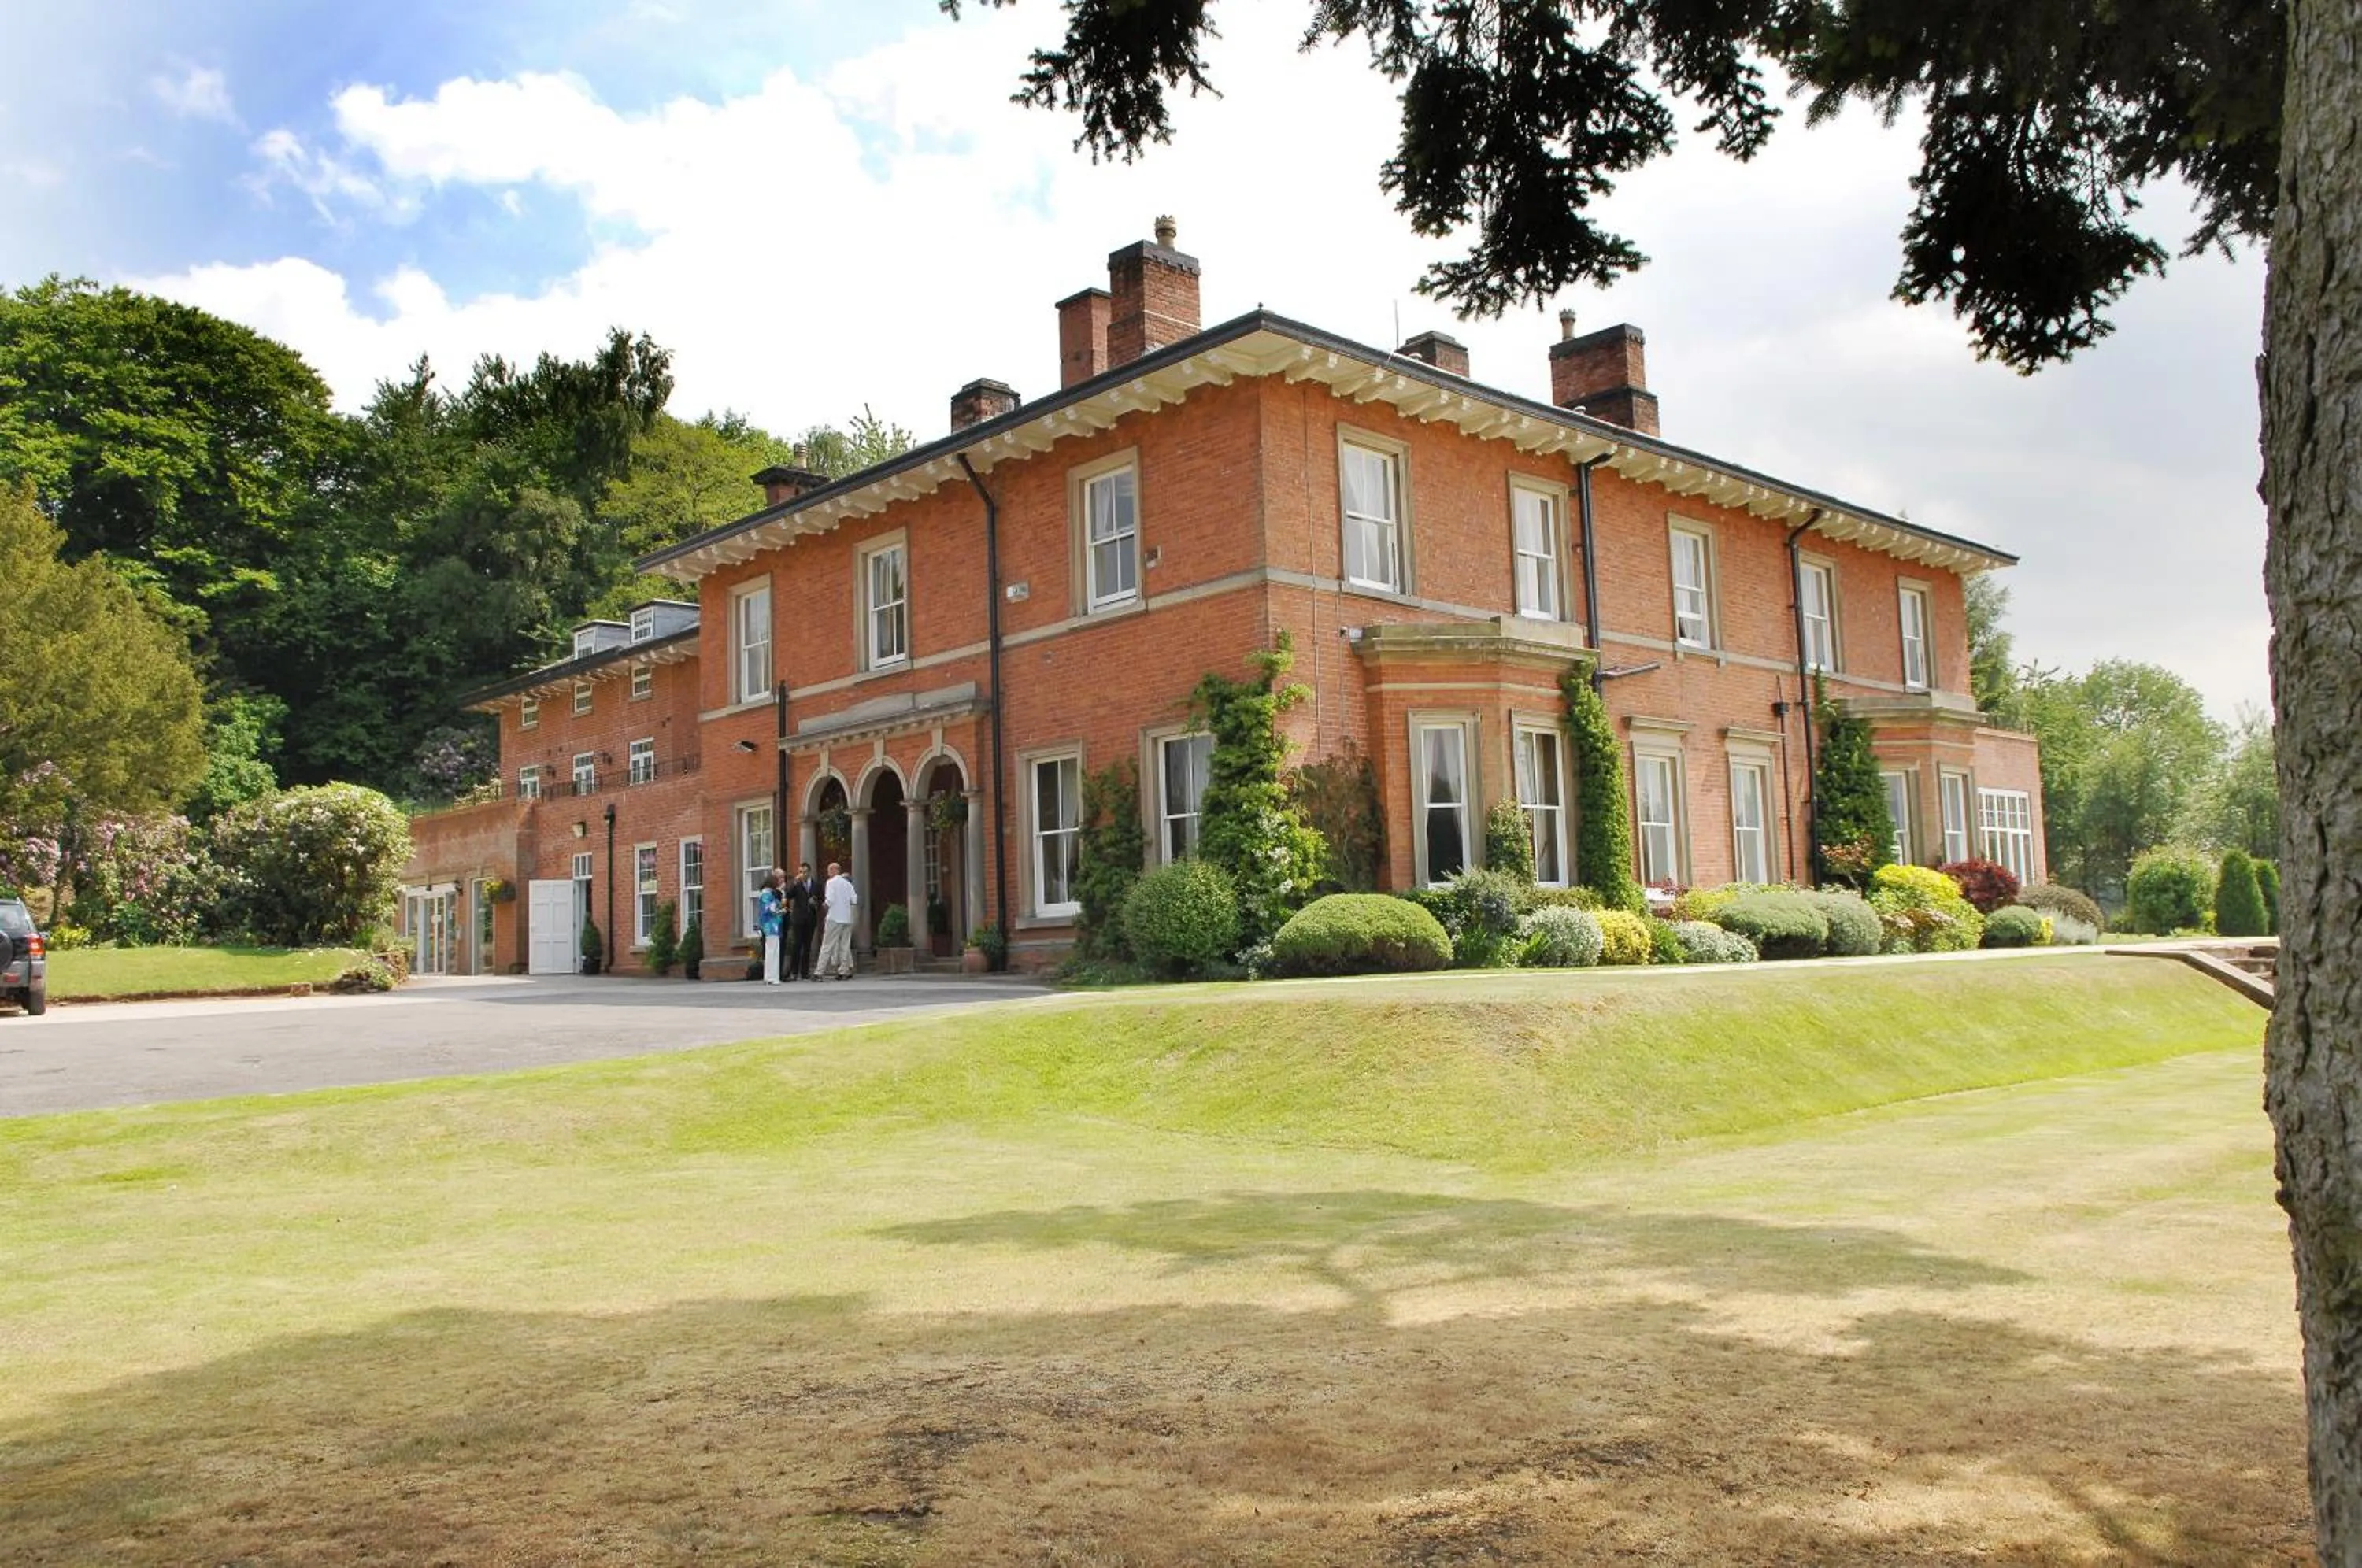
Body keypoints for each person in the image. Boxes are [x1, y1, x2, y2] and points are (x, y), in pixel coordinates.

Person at [818, 860, 858, 980]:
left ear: (834, 870)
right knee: (845, 946)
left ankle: (819, 972)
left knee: (827, 945)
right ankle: (843, 971)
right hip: (847, 918)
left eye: (829, 870)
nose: (828, 873)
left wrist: (824, 906)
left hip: (834, 917)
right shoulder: (848, 884)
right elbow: (854, 900)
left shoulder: (831, 883)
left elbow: (829, 900)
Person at [787, 861, 820, 982]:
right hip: (798, 919)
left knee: (807, 946)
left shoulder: (816, 885)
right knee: (797, 945)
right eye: (800, 872)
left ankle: (804, 972)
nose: (803, 874)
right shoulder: (796, 884)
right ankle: (794, 972)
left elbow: (820, 899)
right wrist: (795, 882)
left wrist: (815, 902)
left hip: (810, 919)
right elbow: (789, 895)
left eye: (805, 872)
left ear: (809, 872)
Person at [757, 868, 786, 986]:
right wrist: (780, 910)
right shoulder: (767, 894)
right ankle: (773, 977)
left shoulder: (766, 894)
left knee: (770, 951)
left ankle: (769, 976)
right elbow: (770, 909)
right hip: (771, 925)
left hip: (769, 924)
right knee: (773, 951)